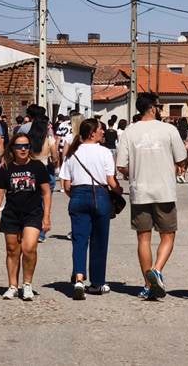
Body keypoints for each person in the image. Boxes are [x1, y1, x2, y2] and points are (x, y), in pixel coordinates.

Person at [116, 92, 188, 300]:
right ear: (152, 108)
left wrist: (135, 172)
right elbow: (181, 158)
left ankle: (148, 285)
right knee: (168, 235)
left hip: (139, 191)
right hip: (164, 190)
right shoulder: (168, 129)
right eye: (159, 106)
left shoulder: (129, 131)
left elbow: (121, 165)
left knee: (143, 238)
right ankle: (156, 270)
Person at [60, 118, 121, 300]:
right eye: (101, 129)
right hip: (100, 195)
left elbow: (66, 184)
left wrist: (77, 196)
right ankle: (97, 283)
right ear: (92, 133)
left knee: (79, 239)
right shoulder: (104, 153)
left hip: (78, 195)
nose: (103, 132)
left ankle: (79, 278)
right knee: (99, 241)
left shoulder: (73, 153)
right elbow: (111, 180)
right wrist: (119, 191)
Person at [0, 133, 52, 301]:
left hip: (33, 213)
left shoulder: (38, 167)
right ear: (13, 149)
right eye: (19, 146)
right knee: (12, 250)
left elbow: (46, 192)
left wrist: (46, 216)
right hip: (11, 214)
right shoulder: (6, 168)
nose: (23, 149)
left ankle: (27, 284)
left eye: (26, 146)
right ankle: (12, 286)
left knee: (29, 248)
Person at [28, 113, 59, 241]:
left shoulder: (27, 139)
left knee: (31, 202)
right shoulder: (49, 140)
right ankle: (41, 233)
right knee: (45, 202)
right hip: (45, 171)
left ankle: (30, 229)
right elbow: (55, 158)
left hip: (31, 171)